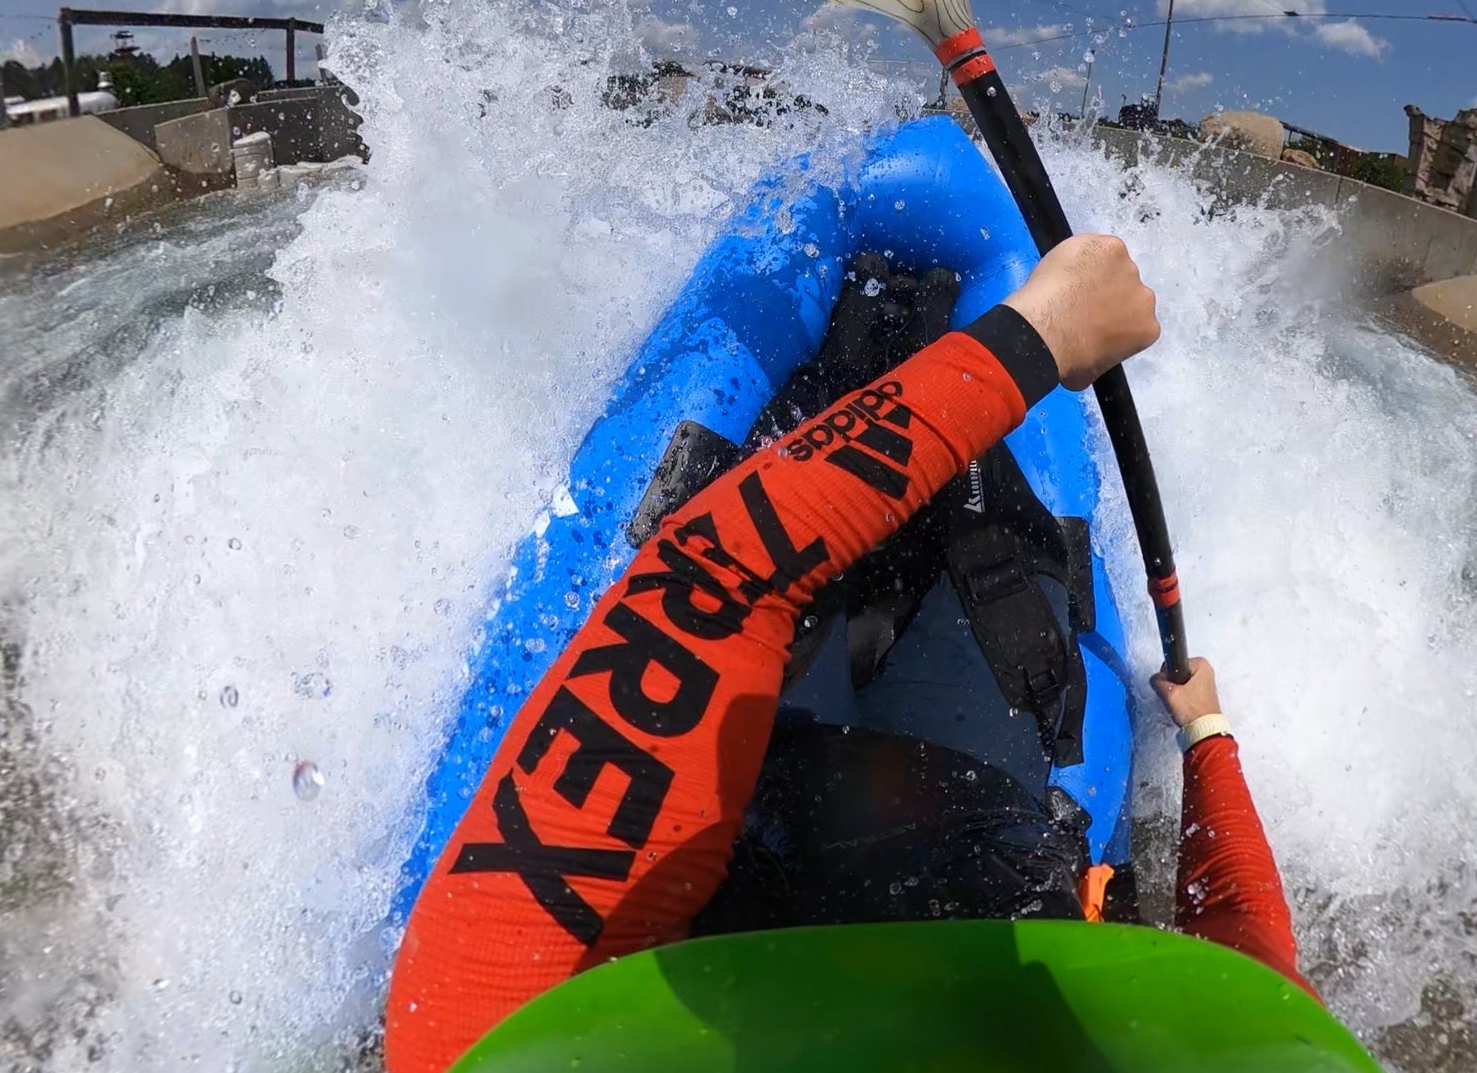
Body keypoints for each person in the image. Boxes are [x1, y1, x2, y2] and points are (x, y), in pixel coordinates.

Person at [385, 235, 1308, 1073]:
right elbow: (1247, 956)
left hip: (742, 824)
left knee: (901, 527)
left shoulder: (488, 1032)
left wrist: (1039, 338)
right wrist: (1209, 738)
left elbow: (712, 577)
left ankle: (882, 345)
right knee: (997, 551)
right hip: (969, 798)